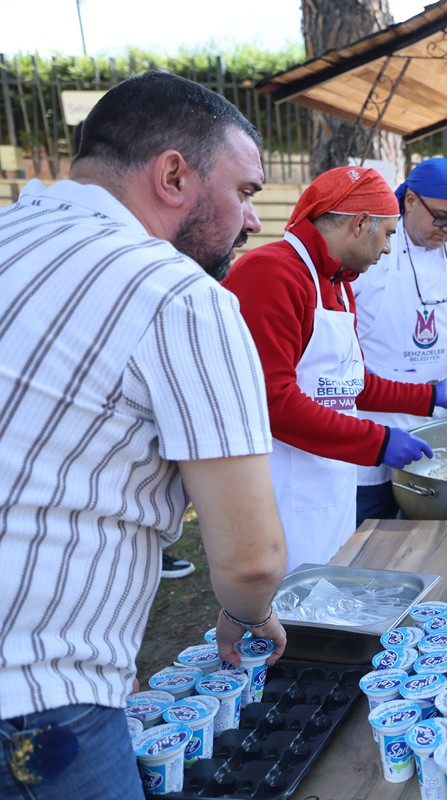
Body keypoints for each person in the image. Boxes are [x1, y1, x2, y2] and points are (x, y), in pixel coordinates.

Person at [0, 72, 288, 799]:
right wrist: (245, 616)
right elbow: (251, 560)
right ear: (172, 175)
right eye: (247, 191)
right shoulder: (178, 294)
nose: (253, 221)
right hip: (34, 706)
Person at [222, 167, 447, 571]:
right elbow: (272, 401)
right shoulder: (272, 272)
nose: (386, 249)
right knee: (281, 609)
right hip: (276, 487)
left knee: (328, 595)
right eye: (388, 235)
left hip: (327, 480)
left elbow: (349, 384)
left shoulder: (337, 282)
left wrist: (429, 397)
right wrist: (376, 441)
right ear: (361, 224)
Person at [352, 158, 447, 524]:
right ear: (409, 202)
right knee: (363, 534)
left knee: (435, 532)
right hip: (373, 418)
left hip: (442, 422)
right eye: (440, 216)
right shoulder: (372, 251)